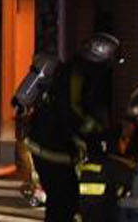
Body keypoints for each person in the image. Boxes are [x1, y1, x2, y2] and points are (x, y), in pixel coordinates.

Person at [22, 32, 121, 222]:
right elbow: (72, 112)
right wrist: (97, 134)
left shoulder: (78, 73)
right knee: (63, 203)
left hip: (56, 148)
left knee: (65, 202)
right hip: (50, 149)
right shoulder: (75, 75)